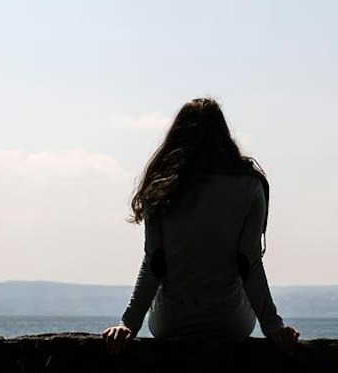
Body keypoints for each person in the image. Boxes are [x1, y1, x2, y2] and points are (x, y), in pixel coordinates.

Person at [103, 98, 300, 351]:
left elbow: (154, 262)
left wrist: (128, 323)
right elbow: (248, 262)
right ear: (223, 136)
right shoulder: (250, 186)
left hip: (171, 321)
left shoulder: (161, 188)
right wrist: (273, 326)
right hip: (230, 320)